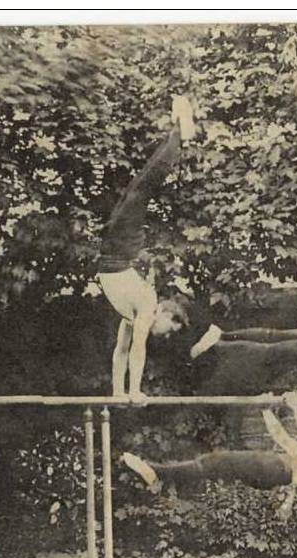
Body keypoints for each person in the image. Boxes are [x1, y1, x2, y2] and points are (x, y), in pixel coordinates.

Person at [121, 391, 297, 518]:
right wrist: (266, 411)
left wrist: (296, 406)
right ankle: (160, 475)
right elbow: (284, 439)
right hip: (272, 474)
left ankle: (159, 473)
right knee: (213, 465)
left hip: (274, 469)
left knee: (215, 463)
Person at [97, 96, 195, 401]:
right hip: (120, 248)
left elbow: (121, 351)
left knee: (141, 187)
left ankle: (177, 132)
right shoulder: (148, 305)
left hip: (113, 249)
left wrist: (118, 393)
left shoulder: (132, 315)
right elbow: (137, 349)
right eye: (169, 329)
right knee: (144, 186)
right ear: (166, 313)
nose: (164, 335)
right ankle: (179, 133)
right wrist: (135, 391)